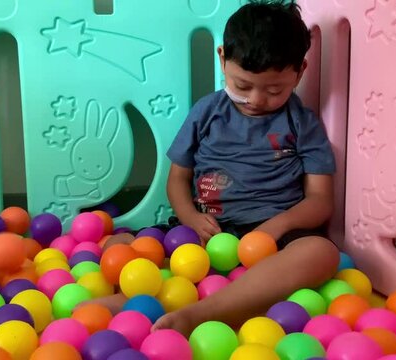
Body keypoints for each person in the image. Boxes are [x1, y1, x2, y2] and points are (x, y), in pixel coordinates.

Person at [95, 0, 339, 337]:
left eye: (274, 90)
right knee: (117, 246)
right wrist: (192, 218)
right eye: (242, 86)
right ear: (222, 58)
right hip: (205, 230)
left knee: (321, 253)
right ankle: (214, 302)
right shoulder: (207, 112)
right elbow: (178, 179)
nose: (256, 99)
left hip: (275, 239)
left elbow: (320, 200)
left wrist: (276, 226)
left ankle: (200, 310)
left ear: (300, 71)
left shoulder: (302, 124)